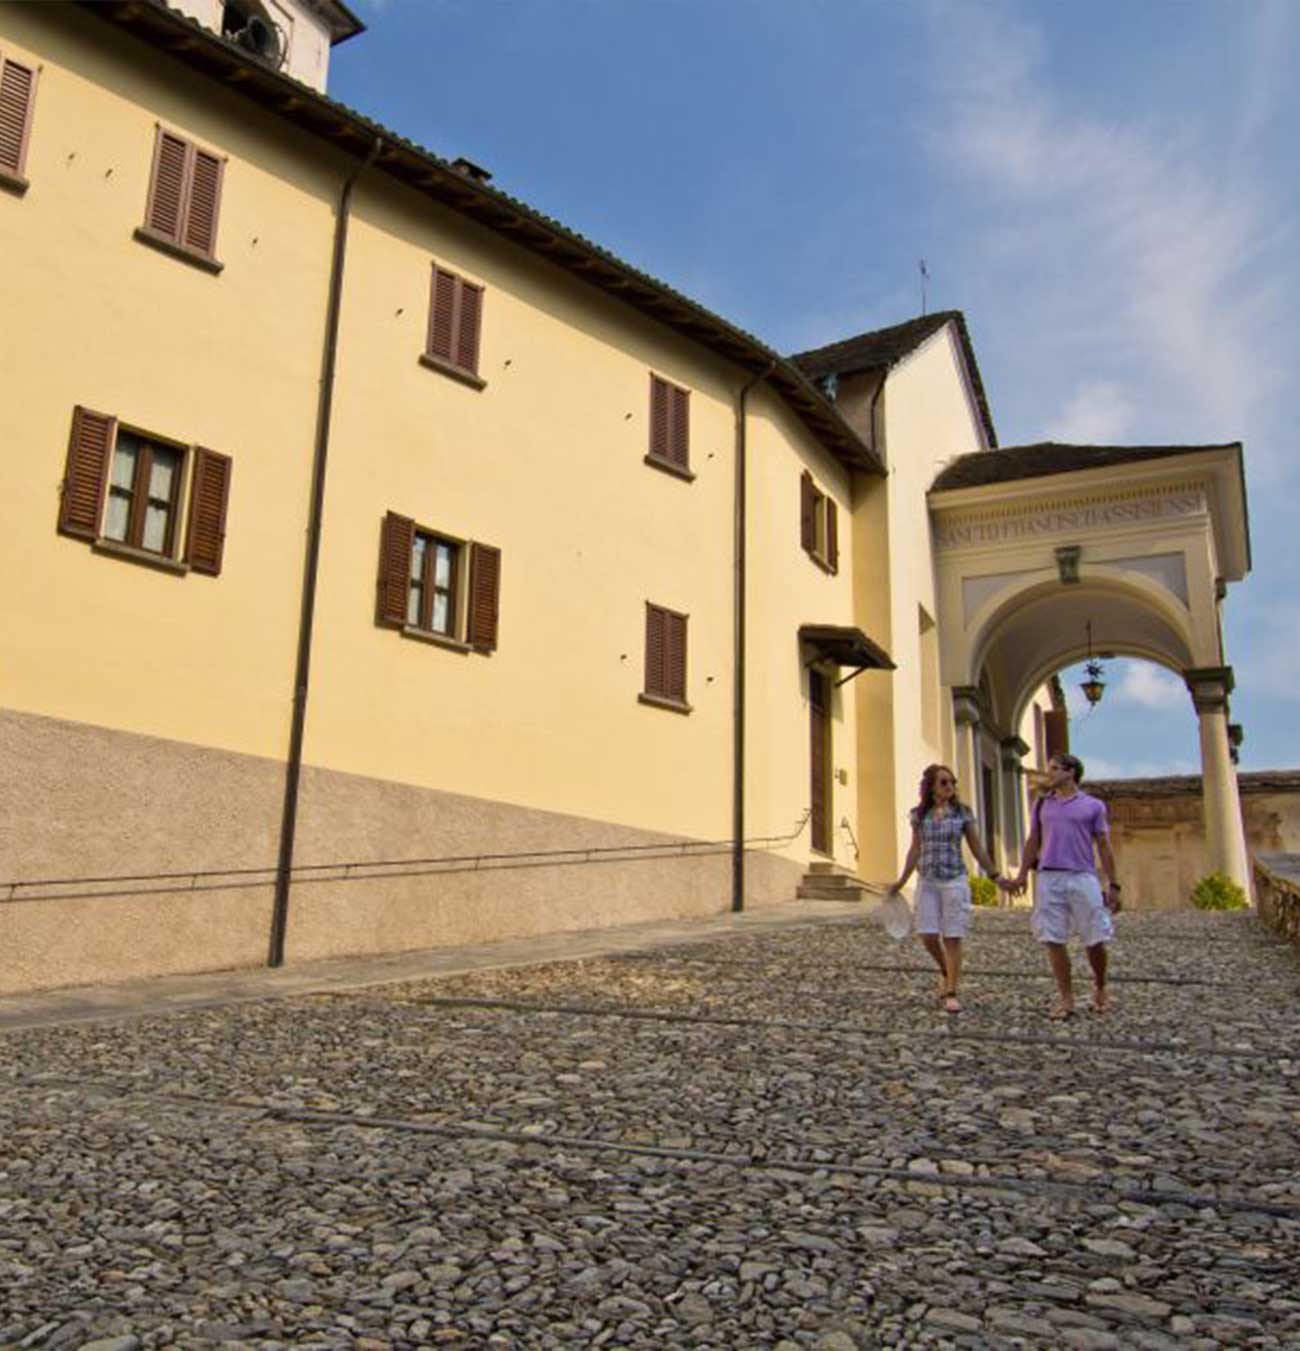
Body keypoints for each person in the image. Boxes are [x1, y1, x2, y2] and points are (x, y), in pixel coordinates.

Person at [1005, 752, 1121, 1020]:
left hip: (1082, 876)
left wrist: (1113, 883)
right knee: (1053, 938)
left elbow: (1104, 845)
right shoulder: (1042, 804)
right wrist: (1023, 874)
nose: (1050, 774)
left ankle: (1100, 984)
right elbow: (1033, 840)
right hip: (1049, 876)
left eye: (1055, 769)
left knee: (1095, 939)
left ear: (1071, 772)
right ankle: (1066, 998)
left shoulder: (1093, 806)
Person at [889, 763, 1002, 1014]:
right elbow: (915, 849)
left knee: (952, 936)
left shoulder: (962, 813)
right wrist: (901, 880)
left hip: (954, 880)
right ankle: (945, 969)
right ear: (931, 787)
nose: (950, 787)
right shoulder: (919, 815)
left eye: (952, 782)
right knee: (928, 935)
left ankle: (951, 990)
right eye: (944, 782)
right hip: (927, 880)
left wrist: (994, 874)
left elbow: (976, 847)